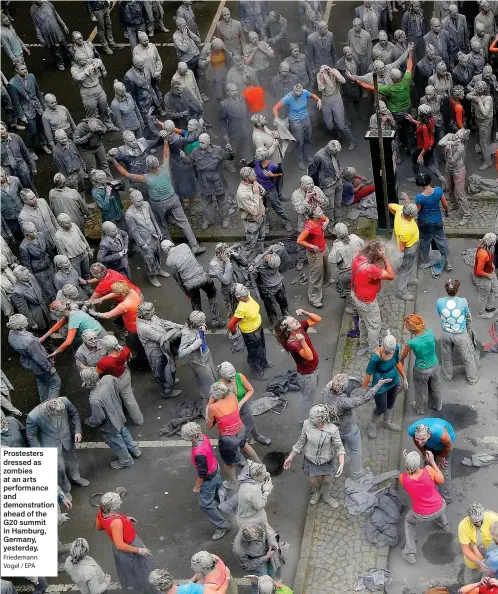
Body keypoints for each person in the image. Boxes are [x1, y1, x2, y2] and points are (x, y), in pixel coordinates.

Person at [110, 143, 203, 255]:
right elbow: (166, 154)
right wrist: (165, 141)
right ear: (157, 163)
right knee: (184, 222)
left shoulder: (146, 178)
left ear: (147, 166)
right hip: (173, 199)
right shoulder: (165, 169)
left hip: (158, 204)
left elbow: (128, 174)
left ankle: (172, 250)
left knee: (162, 226)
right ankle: (194, 246)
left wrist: (114, 161)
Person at [325, 373, 391, 479]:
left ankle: (335, 468)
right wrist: (378, 385)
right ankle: (357, 473)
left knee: (338, 448)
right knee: (355, 450)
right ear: (343, 389)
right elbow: (364, 399)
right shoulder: (344, 402)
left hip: (334, 429)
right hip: (349, 429)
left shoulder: (327, 390)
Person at [284, 404, 345, 508]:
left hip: (327, 460)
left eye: (312, 417)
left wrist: (342, 463)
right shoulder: (307, 425)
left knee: (327, 481)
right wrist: (290, 457)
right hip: (310, 459)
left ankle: (326, 496)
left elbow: (339, 447)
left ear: (320, 418)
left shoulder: (332, 429)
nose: (309, 419)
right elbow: (301, 442)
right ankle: (318, 491)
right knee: (313, 482)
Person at [26, 396, 89, 494]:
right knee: (60, 468)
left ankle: (76, 478)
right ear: (49, 412)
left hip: (67, 438)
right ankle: (65, 489)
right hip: (50, 444)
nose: (61, 416)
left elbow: (74, 413)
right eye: (58, 415)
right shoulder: (34, 416)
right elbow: (31, 436)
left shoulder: (64, 401)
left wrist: (78, 431)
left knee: (73, 459)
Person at [180, 422, 231, 540]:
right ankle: (225, 504)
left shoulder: (198, 453)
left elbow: (202, 473)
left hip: (209, 478)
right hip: (215, 468)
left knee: (205, 505)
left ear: (190, 437)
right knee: (219, 491)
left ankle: (222, 526)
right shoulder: (203, 436)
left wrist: (197, 486)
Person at [82, 367, 141, 469]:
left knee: (116, 441)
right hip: (118, 414)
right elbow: (117, 388)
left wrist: (89, 421)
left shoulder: (94, 399)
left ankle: (126, 460)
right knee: (124, 432)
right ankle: (135, 450)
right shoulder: (108, 379)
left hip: (110, 425)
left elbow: (99, 418)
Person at [96, 491, 156, 590]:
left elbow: (99, 527)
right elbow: (119, 545)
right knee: (143, 569)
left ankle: (140, 586)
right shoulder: (116, 522)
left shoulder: (101, 512)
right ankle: (147, 588)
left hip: (123, 547)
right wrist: (139, 550)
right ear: (112, 507)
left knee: (130, 571)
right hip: (130, 546)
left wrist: (125, 520)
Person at [206, 382, 261, 487]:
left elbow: (209, 425)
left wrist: (210, 402)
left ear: (214, 395)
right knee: (244, 445)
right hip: (241, 429)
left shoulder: (213, 407)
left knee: (228, 463)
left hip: (228, 439)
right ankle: (259, 463)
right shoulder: (232, 396)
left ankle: (234, 483)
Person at [399, 449, 449, 564]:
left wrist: (407, 461)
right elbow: (441, 480)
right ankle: (444, 525)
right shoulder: (429, 470)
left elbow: (407, 474)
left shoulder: (403, 478)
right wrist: (432, 462)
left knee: (408, 521)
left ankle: (409, 553)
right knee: (436, 506)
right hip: (440, 506)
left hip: (422, 514)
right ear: (419, 464)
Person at [161, 240, 222, 326]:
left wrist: (186, 292)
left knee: (196, 302)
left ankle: (199, 323)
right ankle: (217, 320)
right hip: (202, 276)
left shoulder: (169, 261)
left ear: (165, 250)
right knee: (212, 295)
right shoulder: (184, 245)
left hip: (189, 284)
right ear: (172, 244)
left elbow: (178, 280)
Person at [275, 309, 321, 423]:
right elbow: (309, 356)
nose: (296, 321)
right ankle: (305, 421)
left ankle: (310, 410)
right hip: (308, 375)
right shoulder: (292, 342)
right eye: (293, 321)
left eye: (295, 319)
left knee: (310, 397)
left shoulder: (299, 327)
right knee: (307, 400)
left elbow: (318, 319)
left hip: (314, 370)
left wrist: (306, 312)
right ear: (288, 328)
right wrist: (303, 342)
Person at [351, 239, 395, 355]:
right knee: (374, 326)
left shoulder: (358, 255)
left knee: (363, 320)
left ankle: (363, 344)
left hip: (356, 295)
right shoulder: (371, 269)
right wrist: (385, 257)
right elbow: (391, 276)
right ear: (376, 256)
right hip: (367, 301)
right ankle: (374, 350)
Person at [89, 280, 146, 367]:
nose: (112, 293)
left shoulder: (124, 305)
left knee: (135, 343)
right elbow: (118, 293)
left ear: (119, 292)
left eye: (114, 291)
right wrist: (101, 298)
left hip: (133, 326)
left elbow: (108, 315)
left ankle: (139, 359)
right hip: (138, 319)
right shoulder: (132, 291)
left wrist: (96, 314)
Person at [184, 133, 234, 230]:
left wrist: (230, 151)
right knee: (205, 202)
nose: (200, 144)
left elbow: (230, 157)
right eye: (199, 142)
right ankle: (208, 220)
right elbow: (189, 161)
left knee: (222, 201)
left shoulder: (218, 150)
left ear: (209, 142)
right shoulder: (195, 151)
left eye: (202, 142)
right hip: (203, 181)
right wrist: (183, 157)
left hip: (217, 180)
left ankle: (226, 219)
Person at [363, 330, 407, 439]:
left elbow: (397, 362)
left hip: (394, 380)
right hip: (380, 383)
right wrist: (363, 390)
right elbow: (368, 375)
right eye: (387, 352)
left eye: (390, 353)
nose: (389, 355)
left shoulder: (395, 348)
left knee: (391, 402)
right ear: (383, 346)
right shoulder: (375, 357)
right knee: (381, 407)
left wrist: (404, 377)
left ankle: (386, 421)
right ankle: (372, 423)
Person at [7, 314, 61, 401]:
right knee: (55, 383)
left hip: (29, 364)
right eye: (25, 320)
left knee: (41, 382)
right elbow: (40, 358)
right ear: (21, 325)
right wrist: (50, 368)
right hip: (40, 366)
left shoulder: (11, 333)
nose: (27, 320)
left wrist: (36, 342)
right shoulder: (30, 341)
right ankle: (51, 407)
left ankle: (43, 402)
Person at [136, 301, 183, 400]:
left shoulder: (151, 317)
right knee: (160, 371)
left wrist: (177, 326)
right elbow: (163, 338)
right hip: (155, 351)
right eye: (151, 310)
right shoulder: (144, 328)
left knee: (170, 365)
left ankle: (170, 380)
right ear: (145, 314)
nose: (154, 311)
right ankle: (166, 392)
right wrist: (180, 332)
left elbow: (163, 322)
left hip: (163, 346)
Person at [217, 360, 270, 446]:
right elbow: (216, 401)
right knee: (236, 430)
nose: (233, 375)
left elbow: (250, 390)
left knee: (250, 422)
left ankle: (256, 436)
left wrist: (240, 403)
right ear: (223, 375)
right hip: (230, 411)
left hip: (244, 406)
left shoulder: (239, 376)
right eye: (230, 374)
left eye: (234, 371)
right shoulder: (219, 385)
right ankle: (241, 444)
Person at [437, 278, 479, 385]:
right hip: (460, 334)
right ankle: (472, 379)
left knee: (446, 356)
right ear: (457, 290)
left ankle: (448, 376)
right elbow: (468, 316)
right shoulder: (463, 301)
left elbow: (440, 314)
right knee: (467, 357)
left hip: (446, 333)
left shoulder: (440, 301)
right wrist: (468, 327)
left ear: (446, 290)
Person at [228, 283, 273, 380]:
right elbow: (231, 325)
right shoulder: (241, 309)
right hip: (250, 334)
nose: (244, 288)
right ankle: (256, 372)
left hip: (258, 328)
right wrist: (236, 336)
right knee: (254, 354)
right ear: (238, 296)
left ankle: (263, 363)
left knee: (262, 347)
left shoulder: (248, 295)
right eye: (241, 288)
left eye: (243, 286)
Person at [97, 335, 144, 427]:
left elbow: (96, 373)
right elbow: (130, 356)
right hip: (125, 375)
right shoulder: (124, 349)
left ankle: (120, 420)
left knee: (117, 400)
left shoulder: (105, 362)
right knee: (130, 400)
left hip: (115, 382)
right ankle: (139, 420)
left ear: (107, 347)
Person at [273, 84, 322, 170]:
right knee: (299, 142)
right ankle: (299, 160)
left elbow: (312, 95)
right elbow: (275, 108)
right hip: (295, 123)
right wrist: (276, 118)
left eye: (300, 94)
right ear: (293, 92)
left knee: (308, 139)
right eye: (297, 95)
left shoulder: (305, 92)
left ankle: (307, 156)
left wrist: (318, 99)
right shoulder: (288, 98)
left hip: (306, 120)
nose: (298, 96)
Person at [401, 314, 442, 415]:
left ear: (411, 330)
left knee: (420, 390)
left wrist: (400, 361)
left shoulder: (411, 342)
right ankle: (437, 405)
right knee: (435, 387)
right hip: (435, 366)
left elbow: (402, 357)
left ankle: (420, 409)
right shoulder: (430, 332)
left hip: (421, 369)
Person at [408, 418, 456, 503]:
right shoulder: (412, 431)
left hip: (444, 446)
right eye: (418, 438)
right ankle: (431, 485)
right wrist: (423, 452)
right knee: (428, 466)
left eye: (422, 439)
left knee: (443, 470)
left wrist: (441, 457)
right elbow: (416, 442)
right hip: (429, 445)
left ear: (429, 435)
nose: (419, 442)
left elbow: (449, 446)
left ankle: (446, 498)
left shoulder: (442, 436)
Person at [8, 62, 50, 158]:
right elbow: (16, 103)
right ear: (17, 70)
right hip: (26, 111)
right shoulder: (12, 84)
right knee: (32, 131)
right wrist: (21, 116)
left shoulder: (31, 76)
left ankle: (43, 144)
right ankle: (30, 149)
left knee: (42, 127)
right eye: (22, 69)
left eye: (25, 68)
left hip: (38, 107)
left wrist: (44, 106)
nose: (25, 70)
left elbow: (38, 92)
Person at [125, 189, 166, 287]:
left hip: (154, 235)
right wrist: (142, 244)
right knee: (149, 259)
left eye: (141, 199)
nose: (141, 202)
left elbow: (153, 218)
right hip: (144, 240)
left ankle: (159, 269)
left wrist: (158, 230)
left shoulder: (146, 204)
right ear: (132, 201)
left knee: (157, 254)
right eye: (138, 201)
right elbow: (134, 232)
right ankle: (152, 276)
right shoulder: (129, 214)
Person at [411, 174, 451, 274]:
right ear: (429, 180)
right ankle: (448, 262)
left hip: (425, 223)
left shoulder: (419, 197)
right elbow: (445, 204)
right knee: (442, 240)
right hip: (437, 222)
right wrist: (446, 212)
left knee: (424, 242)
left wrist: (408, 202)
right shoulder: (438, 190)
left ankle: (427, 261)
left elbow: (417, 211)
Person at [70, 53, 117, 132]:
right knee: (91, 112)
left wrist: (97, 64)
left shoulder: (88, 61)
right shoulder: (74, 69)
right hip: (87, 91)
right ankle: (95, 129)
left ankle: (110, 125)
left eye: (86, 58)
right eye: (84, 60)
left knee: (104, 107)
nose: (86, 60)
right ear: (78, 61)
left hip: (97, 87)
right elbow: (78, 78)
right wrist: (87, 69)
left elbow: (98, 60)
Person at [179, 310, 217, 404]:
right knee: (208, 385)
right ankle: (207, 408)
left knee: (215, 377)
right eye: (202, 322)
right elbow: (181, 353)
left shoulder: (195, 322)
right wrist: (194, 346)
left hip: (206, 354)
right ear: (195, 323)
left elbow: (202, 326)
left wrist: (204, 326)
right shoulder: (187, 333)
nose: (203, 323)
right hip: (199, 361)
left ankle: (216, 400)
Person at [297, 205, 330, 308]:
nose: (322, 212)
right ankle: (314, 298)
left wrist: (326, 223)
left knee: (326, 267)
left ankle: (326, 281)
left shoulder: (320, 218)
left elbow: (326, 218)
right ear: (314, 215)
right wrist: (311, 246)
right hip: (314, 253)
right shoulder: (309, 228)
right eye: (319, 211)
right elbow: (299, 240)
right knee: (316, 275)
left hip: (323, 247)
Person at [42, 301, 106, 355]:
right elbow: (59, 324)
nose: (54, 315)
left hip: (97, 336)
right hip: (99, 329)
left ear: (60, 311)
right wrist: (43, 337)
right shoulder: (70, 310)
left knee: (97, 354)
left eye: (54, 313)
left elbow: (68, 341)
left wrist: (55, 352)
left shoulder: (73, 319)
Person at [233, 524, 281, 594]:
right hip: (256, 563)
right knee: (259, 584)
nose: (262, 541)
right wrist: (265, 557)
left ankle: (270, 587)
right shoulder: (238, 550)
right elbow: (247, 565)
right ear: (249, 542)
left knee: (272, 572)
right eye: (258, 541)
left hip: (269, 552)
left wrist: (273, 543)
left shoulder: (257, 526)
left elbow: (269, 531)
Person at [316, 66, 356, 151]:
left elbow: (343, 81)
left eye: (327, 70)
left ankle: (352, 141)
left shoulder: (334, 71)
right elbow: (320, 88)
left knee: (341, 125)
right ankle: (337, 136)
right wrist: (323, 76)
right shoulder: (319, 75)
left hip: (336, 97)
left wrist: (333, 73)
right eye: (324, 70)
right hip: (325, 99)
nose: (326, 71)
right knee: (329, 125)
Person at [329, 223, 364, 313]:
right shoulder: (355, 237)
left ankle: (355, 309)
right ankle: (363, 302)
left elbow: (332, 259)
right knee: (359, 286)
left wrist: (335, 243)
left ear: (336, 234)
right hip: (359, 268)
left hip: (346, 273)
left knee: (349, 291)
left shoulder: (337, 245)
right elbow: (363, 245)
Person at [405, 104, 445, 185]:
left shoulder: (424, 127)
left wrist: (421, 155)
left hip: (422, 147)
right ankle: (441, 178)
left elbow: (426, 142)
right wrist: (412, 120)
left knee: (415, 161)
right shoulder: (431, 120)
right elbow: (421, 124)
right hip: (431, 144)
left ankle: (416, 177)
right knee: (428, 163)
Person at [459, 503, 498, 584]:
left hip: (489, 551)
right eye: (476, 522)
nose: (479, 524)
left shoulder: (492, 518)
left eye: (481, 521)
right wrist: (478, 562)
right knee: (471, 578)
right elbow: (465, 549)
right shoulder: (463, 526)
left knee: (488, 575)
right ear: (469, 518)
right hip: (473, 557)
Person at [251, 247, 288, 330]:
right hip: (267, 289)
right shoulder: (258, 264)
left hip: (278, 284)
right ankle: (273, 323)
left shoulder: (275, 253)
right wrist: (258, 293)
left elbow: (281, 247)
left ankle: (286, 316)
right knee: (270, 308)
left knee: (283, 302)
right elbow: (254, 278)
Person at [439, 128, 471, 226]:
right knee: (449, 189)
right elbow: (440, 142)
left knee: (460, 193)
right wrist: (452, 143)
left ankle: (467, 214)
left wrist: (449, 151)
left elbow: (452, 161)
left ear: (461, 140)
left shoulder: (461, 147)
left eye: (458, 137)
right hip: (449, 169)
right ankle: (454, 204)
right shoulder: (450, 135)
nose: (455, 137)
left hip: (458, 170)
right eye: (456, 135)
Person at [388, 202, 419, 301]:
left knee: (407, 268)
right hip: (408, 249)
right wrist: (399, 257)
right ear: (410, 216)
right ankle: (401, 291)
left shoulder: (400, 209)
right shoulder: (405, 230)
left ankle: (408, 279)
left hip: (409, 245)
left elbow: (389, 205)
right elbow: (402, 246)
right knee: (404, 269)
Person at [20, 222, 56, 303]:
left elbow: (48, 249)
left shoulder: (41, 235)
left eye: (35, 230)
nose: (34, 233)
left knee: (55, 284)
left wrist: (53, 260)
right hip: (39, 271)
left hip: (48, 264)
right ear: (26, 233)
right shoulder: (24, 246)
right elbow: (27, 264)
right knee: (48, 291)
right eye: (31, 232)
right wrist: (31, 278)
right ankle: (55, 305)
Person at [30, 0, 71, 70]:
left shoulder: (48, 3)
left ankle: (69, 59)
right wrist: (40, 38)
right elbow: (36, 25)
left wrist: (63, 25)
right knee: (53, 49)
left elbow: (56, 15)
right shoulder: (32, 10)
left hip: (56, 29)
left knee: (64, 45)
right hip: (46, 32)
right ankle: (60, 63)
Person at [236, 166, 266, 261]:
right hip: (252, 223)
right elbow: (254, 211)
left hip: (261, 218)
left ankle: (261, 258)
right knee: (250, 246)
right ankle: (242, 264)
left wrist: (259, 189)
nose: (256, 175)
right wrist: (256, 193)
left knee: (261, 239)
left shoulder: (253, 182)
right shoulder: (242, 193)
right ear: (246, 179)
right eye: (253, 175)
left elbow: (264, 192)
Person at [11, 264, 52, 331]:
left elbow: (40, 290)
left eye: (28, 272)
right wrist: (32, 323)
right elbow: (24, 310)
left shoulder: (31, 276)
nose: (29, 275)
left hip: (44, 308)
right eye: (26, 275)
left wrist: (48, 304)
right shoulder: (17, 292)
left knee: (50, 325)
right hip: (37, 316)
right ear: (19, 278)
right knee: (43, 330)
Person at [0, 121, 37, 193]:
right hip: (8, 169)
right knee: (15, 189)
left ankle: (35, 199)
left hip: (21, 166)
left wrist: (33, 165)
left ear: (5, 128)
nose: (0, 132)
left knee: (29, 185)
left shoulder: (16, 138)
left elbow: (26, 152)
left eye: (2, 129)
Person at [55, 213, 93, 280]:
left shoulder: (74, 226)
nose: (70, 224)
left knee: (87, 273)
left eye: (70, 221)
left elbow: (82, 238)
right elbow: (63, 253)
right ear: (60, 224)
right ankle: (81, 289)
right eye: (67, 223)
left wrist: (89, 249)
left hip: (84, 254)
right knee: (78, 276)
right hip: (74, 260)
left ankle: (88, 287)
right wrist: (68, 265)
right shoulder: (58, 236)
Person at [467, 81, 493, 171]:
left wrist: (480, 102)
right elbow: (467, 96)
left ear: (482, 89)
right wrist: (473, 95)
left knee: (484, 142)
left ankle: (488, 162)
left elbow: (485, 113)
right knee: (480, 140)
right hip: (479, 121)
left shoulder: (488, 98)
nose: (476, 90)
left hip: (485, 122)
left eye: (478, 88)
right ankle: (484, 156)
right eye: (476, 88)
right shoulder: (477, 93)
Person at [53, 129, 86, 193]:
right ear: (56, 139)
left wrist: (83, 165)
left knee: (82, 189)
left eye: (65, 137)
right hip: (71, 176)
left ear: (66, 135)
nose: (64, 140)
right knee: (74, 193)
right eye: (61, 139)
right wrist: (66, 181)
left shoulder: (70, 142)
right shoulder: (56, 152)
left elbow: (77, 154)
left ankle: (83, 202)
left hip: (79, 171)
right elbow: (61, 169)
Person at [473, 233, 498, 319]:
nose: (496, 242)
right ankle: (480, 314)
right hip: (483, 277)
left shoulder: (486, 246)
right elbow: (479, 271)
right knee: (484, 296)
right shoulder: (483, 254)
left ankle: (489, 307)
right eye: (495, 241)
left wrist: (492, 265)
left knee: (495, 288)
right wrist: (488, 275)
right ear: (491, 243)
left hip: (490, 271)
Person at [0, 166, 23, 241]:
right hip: (9, 219)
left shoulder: (15, 180)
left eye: (2, 176)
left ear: (4, 171)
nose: (1, 179)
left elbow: (22, 193)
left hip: (21, 212)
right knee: (17, 234)